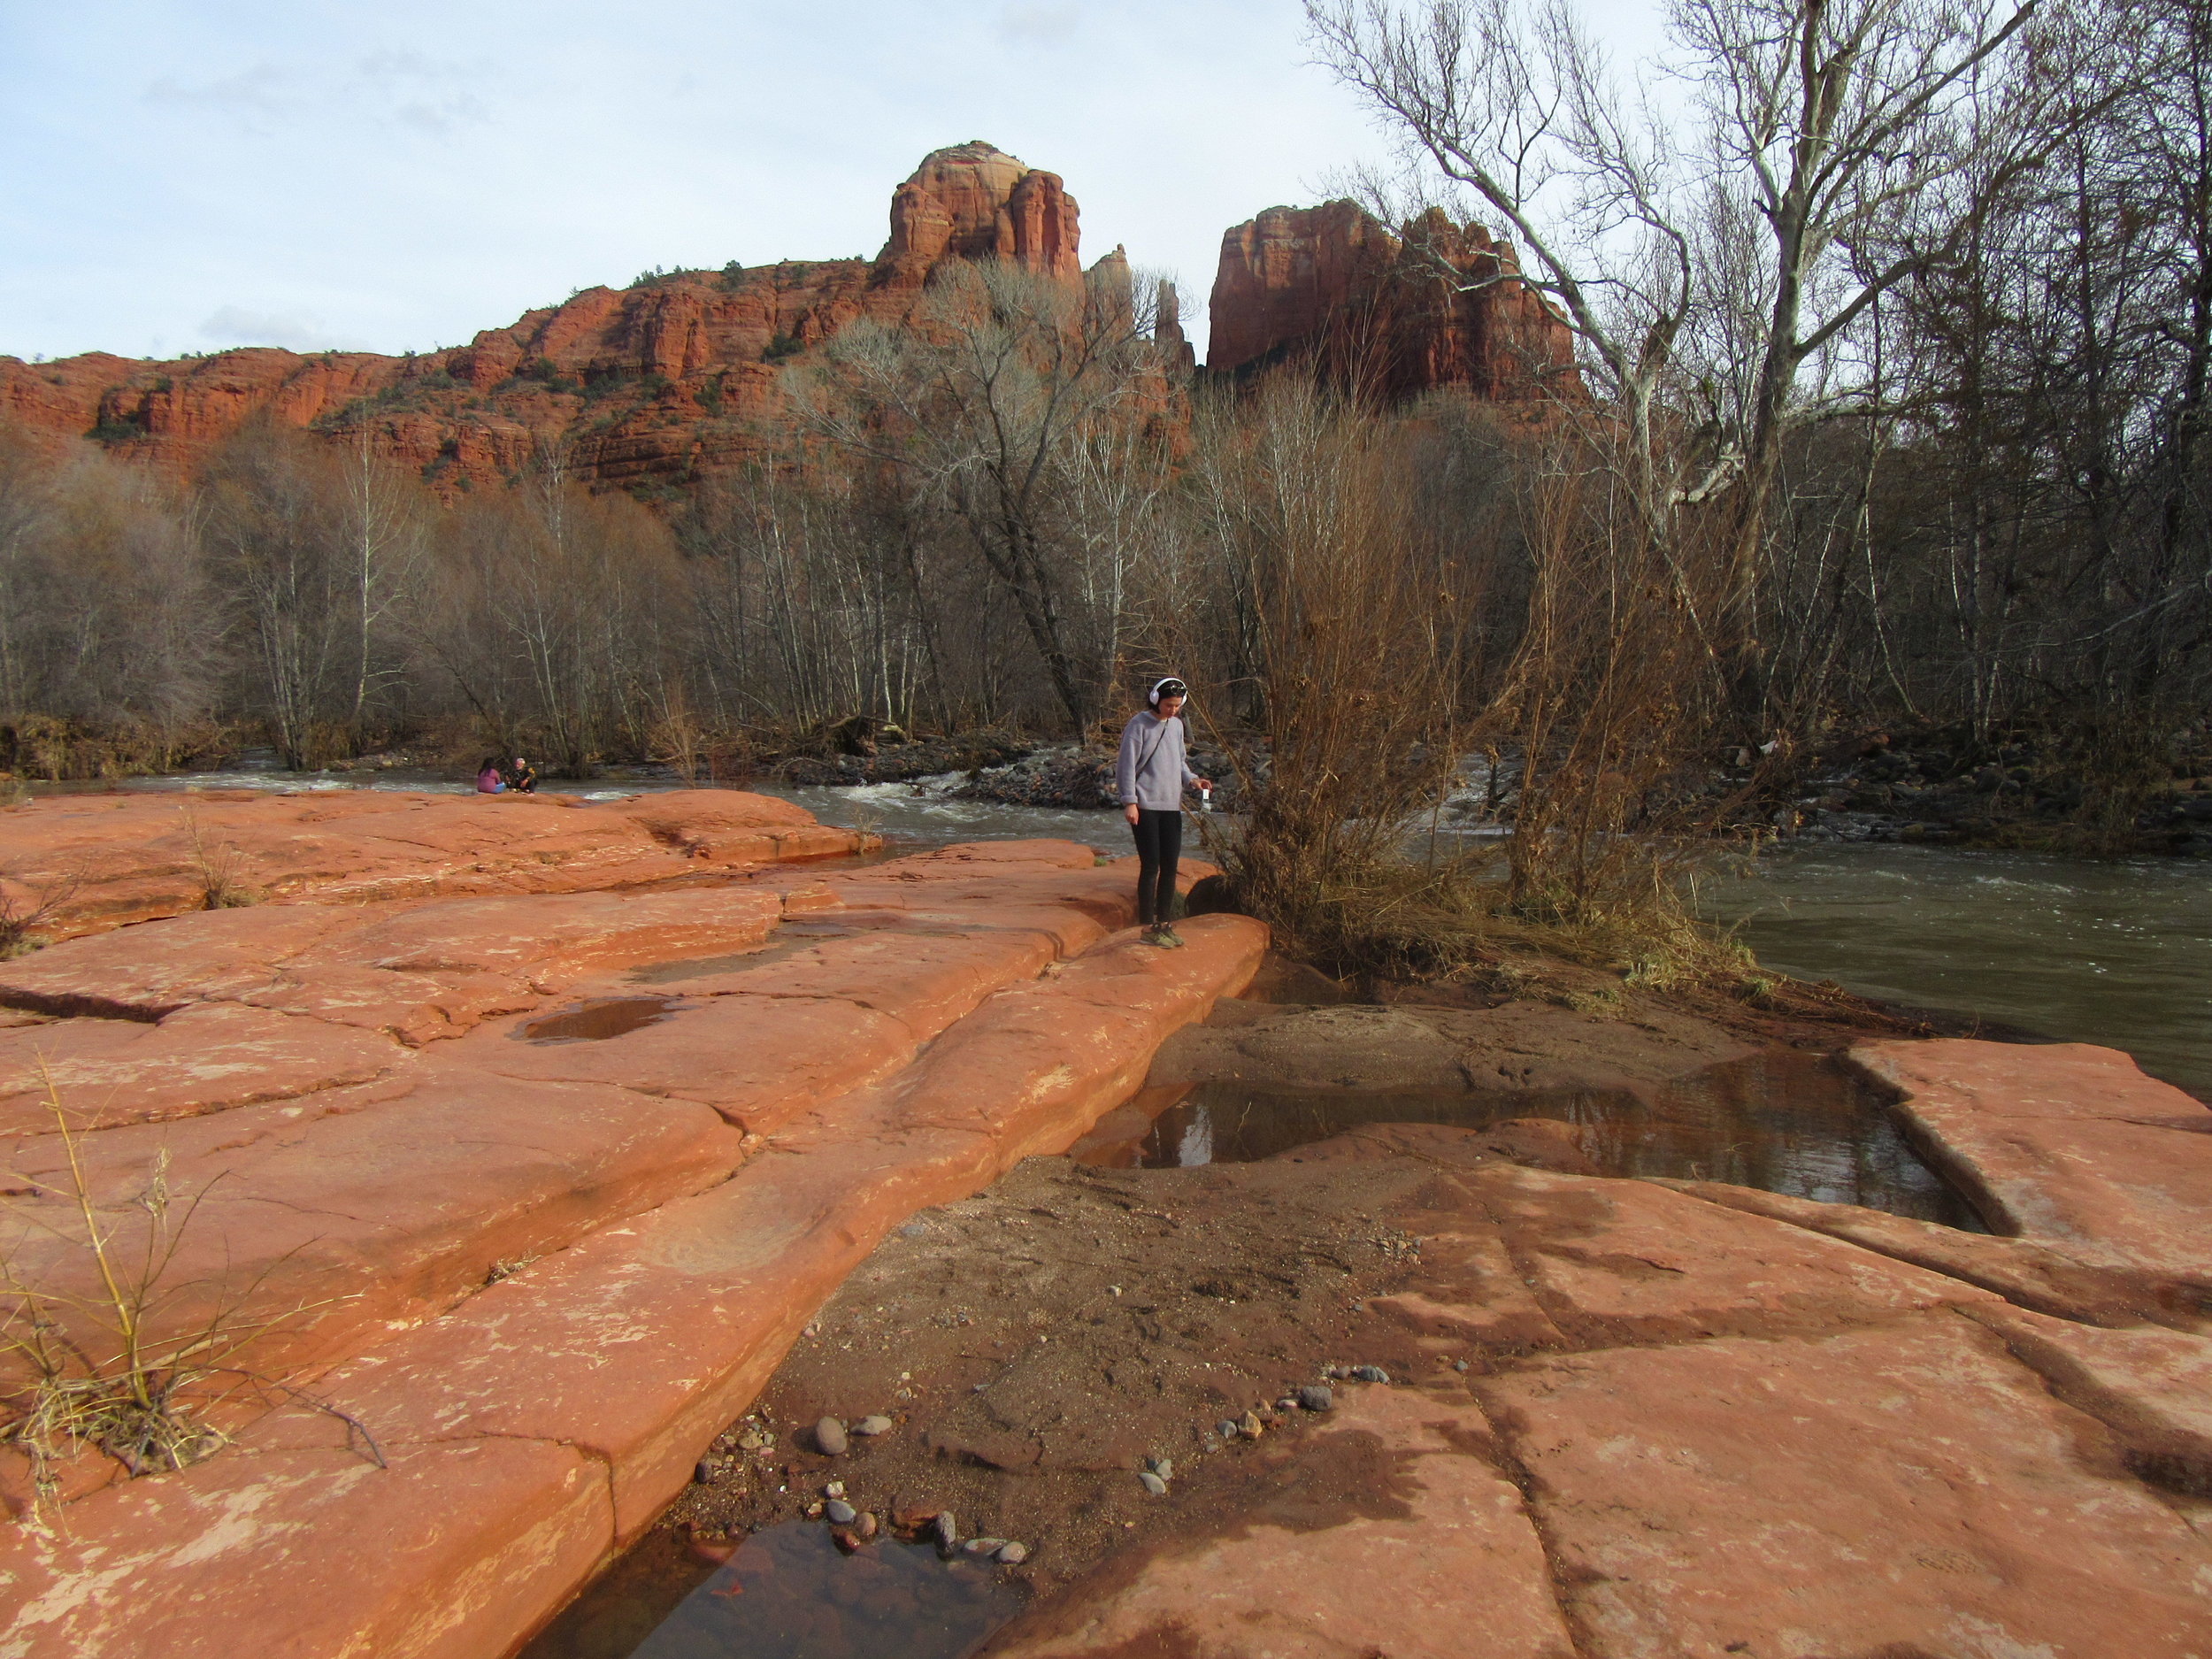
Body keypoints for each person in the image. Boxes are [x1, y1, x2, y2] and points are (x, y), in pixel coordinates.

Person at [1115, 676, 1210, 948]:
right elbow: (1126, 765)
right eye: (1169, 705)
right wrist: (1129, 801)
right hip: (1145, 805)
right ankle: (1147, 926)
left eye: (1178, 705)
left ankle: (1165, 923)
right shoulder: (1138, 724)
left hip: (1171, 806)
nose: (1173, 710)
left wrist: (1192, 779)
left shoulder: (1177, 726)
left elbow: (1179, 762)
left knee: (1170, 867)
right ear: (1156, 699)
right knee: (1151, 866)